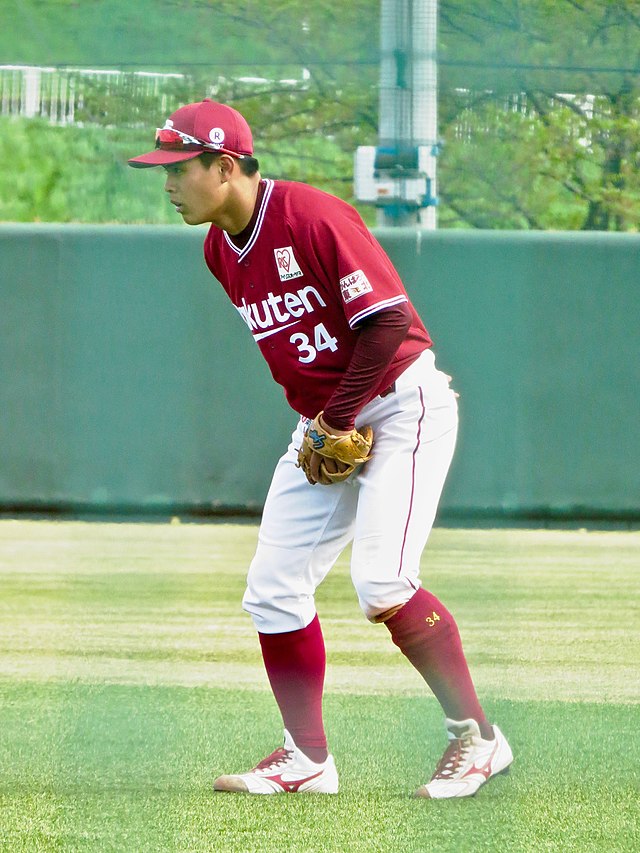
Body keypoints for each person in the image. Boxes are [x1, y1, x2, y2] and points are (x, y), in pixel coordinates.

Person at [129, 99, 513, 799]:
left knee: (383, 582)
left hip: (401, 404)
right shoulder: (219, 249)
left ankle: (480, 738)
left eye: (178, 169)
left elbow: (389, 319)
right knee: (272, 588)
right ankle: (306, 757)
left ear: (225, 165)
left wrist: (335, 417)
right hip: (326, 423)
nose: (167, 183)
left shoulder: (311, 215)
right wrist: (326, 424)